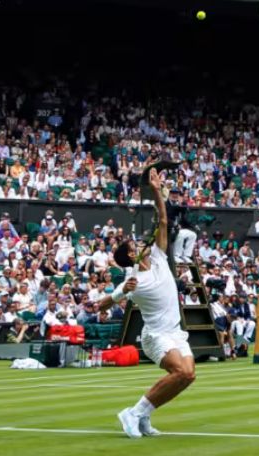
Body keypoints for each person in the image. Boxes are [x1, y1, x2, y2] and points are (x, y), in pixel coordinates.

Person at [99, 168, 194, 439]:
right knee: (182, 371)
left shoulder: (158, 255)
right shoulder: (132, 281)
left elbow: (163, 219)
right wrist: (119, 295)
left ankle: (143, 416)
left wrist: (155, 189)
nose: (139, 242)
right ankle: (134, 413)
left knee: (188, 376)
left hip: (175, 332)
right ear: (131, 254)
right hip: (155, 336)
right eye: (133, 244)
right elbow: (101, 305)